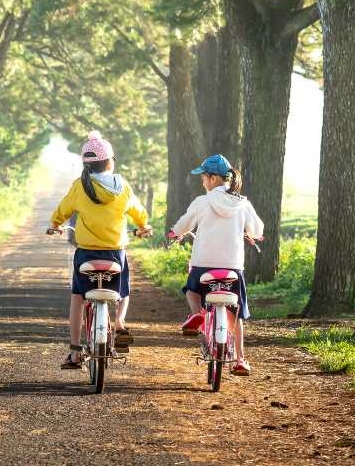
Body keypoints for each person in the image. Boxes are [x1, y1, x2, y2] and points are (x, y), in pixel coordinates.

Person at [47, 131, 151, 369]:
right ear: (110, 161)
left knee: (77, 297)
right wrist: (144, 226)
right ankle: (121, 322)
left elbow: (63, 210)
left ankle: (74, 351)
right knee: (123, 289)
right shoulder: (122, 186)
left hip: (86, 253)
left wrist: (54, 225)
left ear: (86, 165)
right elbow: (137, 211)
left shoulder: (80, 186)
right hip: (116, 252)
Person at [168, 154, 263, 376]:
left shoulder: (202, 202)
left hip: (203, 268)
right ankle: (240, 359)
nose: (202, 181)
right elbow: (257, 230)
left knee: (191, 291)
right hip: (232, 270)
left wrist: (175, 233)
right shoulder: (242, 203)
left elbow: (183, 224)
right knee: (236, 313)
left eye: (203, 177)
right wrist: (254, 236)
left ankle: (197, 313)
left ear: (212, 179)